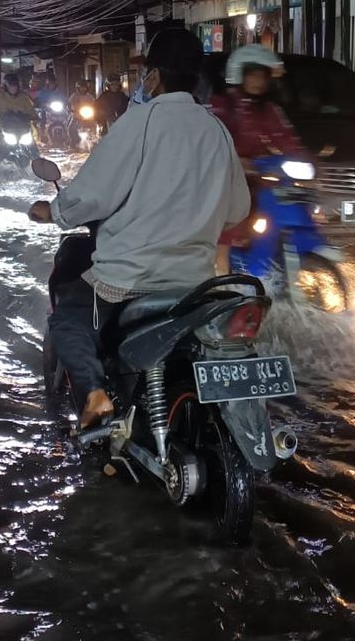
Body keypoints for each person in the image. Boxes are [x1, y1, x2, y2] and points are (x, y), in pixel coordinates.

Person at [28, 29, 250, 428]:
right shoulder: (217, 130)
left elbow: (93, 193)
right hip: (194, 284)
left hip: (130, 279)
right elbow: (237, 209)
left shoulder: (141, 121)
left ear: (153, 76)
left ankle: (95, 395)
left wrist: (54, 210)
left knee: (66, 318)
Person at [210, 44, 306, 274]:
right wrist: (236, 161)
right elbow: (214, 142)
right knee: (225, 236)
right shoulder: (222, 106)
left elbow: (286, 139)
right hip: (225, 182)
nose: (258, 81)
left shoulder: (269, 109)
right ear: (240, 74)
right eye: (253, 75)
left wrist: (305, 162)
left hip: (256, 179)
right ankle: (221, 283)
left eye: (262, 76)